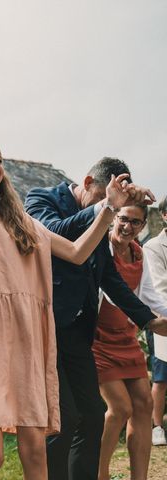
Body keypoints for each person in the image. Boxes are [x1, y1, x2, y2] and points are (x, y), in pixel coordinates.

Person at [0, 113, 133, 479]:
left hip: (24, 339)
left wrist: (109, 208)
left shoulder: (23, 223)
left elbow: (79, 253)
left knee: (36, 450)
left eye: (0, 159)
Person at [25, 157, 167, 480]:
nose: (114, 210)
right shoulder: (42, 198)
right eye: (105, 197)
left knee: (92, 414)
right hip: (43, 327)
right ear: (88, 183)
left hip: (77, 330)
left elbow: (109, 278)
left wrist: (148, 320)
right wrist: (105, 208)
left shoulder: (103, 216)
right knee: (63, 418)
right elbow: (53, 235)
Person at [91, 205, 167, 480]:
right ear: (113, 218)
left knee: (144, 405)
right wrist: (150, 320)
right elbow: (113, 296)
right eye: (123, 219)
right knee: (121, 407)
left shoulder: (139, 252)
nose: (128, 226)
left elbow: (149, 294)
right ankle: (99, 474)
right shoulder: (102, 248)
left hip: (126, 338)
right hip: (98, 339)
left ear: (144, 224)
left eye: (136, 222)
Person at [144, 196, 167, 446]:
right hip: (162, 318)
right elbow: (160, 287)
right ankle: (157, 426)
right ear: (164, 215)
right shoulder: (153, 247)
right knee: (162, 375)